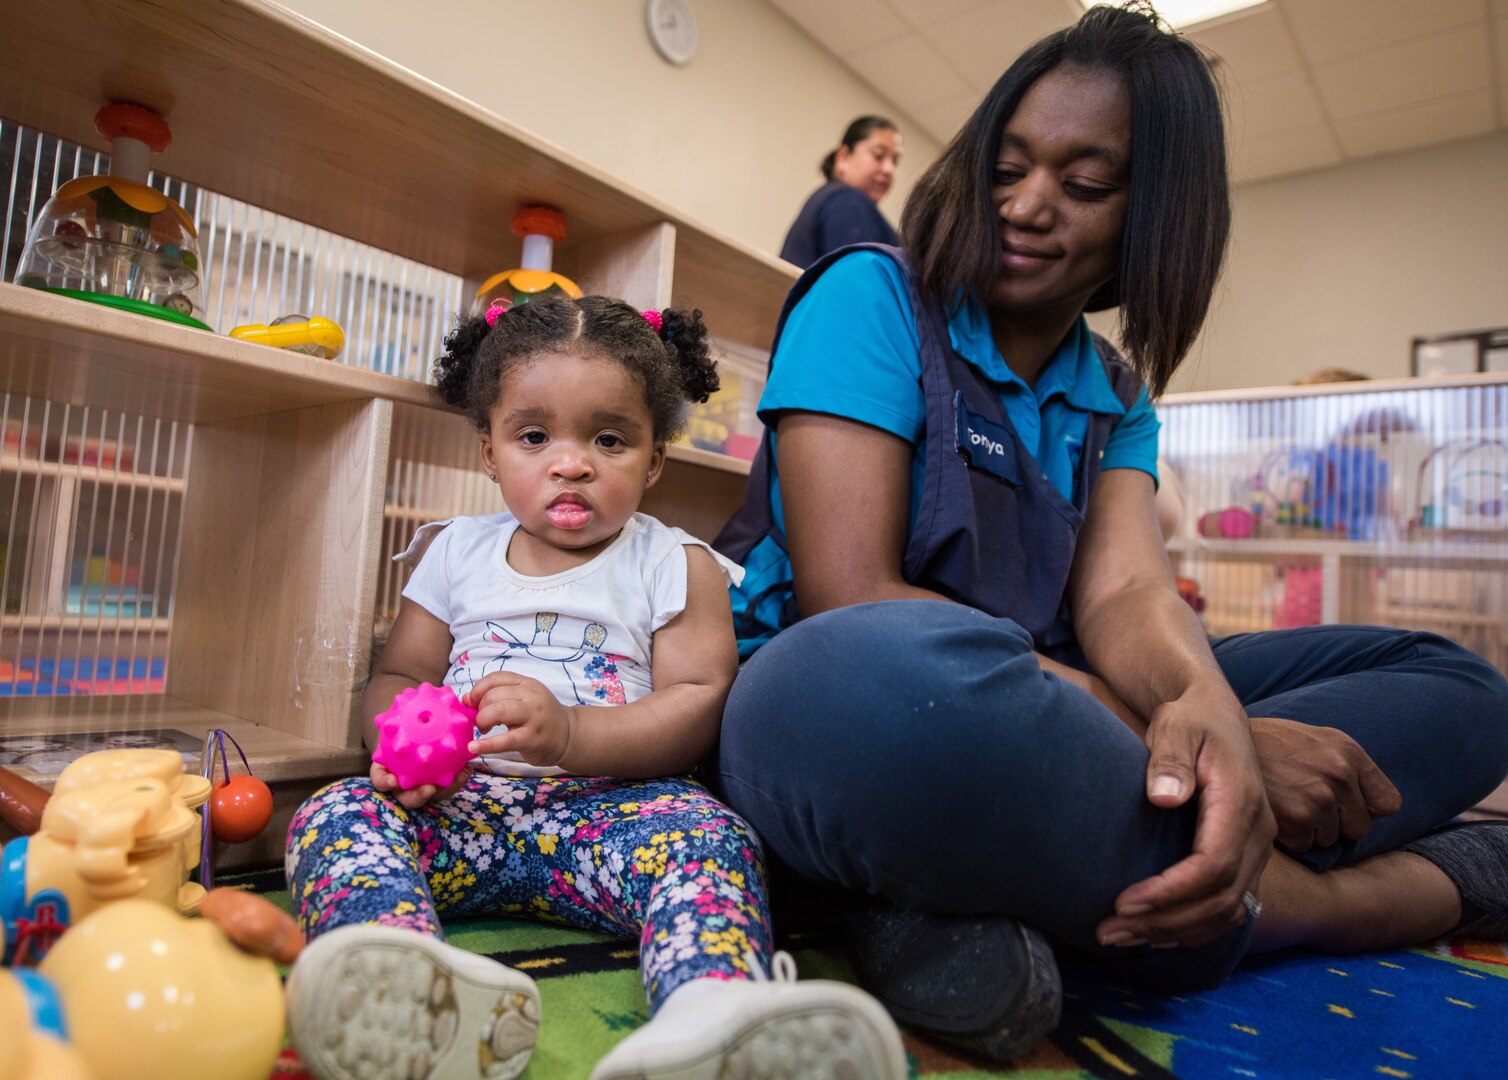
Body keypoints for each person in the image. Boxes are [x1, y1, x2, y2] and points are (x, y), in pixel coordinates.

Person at [714, 0, 1508, 1063]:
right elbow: (848, 593)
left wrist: (1207, 715)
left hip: (1048, 719)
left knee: (1458, 687)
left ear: (1152, 217)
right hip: (861, 702)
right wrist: (1176, 743)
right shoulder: (870, 295)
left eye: (1083, 185)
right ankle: (1352, 903)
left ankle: (964, 893)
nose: (1026, 206)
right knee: (864, 682)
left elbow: (1125, 598)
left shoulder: (1114, 394)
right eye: (1007, 167)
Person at [283, 296, 906, 1080]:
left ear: (652, 460)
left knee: (712, 838)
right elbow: (400, 674)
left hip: (608, 819)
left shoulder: (675, 564)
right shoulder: (454, 552)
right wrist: (396, 743)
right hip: (458, 811)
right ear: (489, 450)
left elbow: (697, 703)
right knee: (333, 814)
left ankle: (710, 1011)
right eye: (534, 436)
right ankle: (403, 976)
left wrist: (572, 735)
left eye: (608, 439)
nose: (571, 462)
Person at [779, 115, 902, 269]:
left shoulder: (828, 198)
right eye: (878, 155)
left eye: (895, 161)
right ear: (843, 157)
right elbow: (857, 281)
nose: (889, 169)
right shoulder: (849, 202)